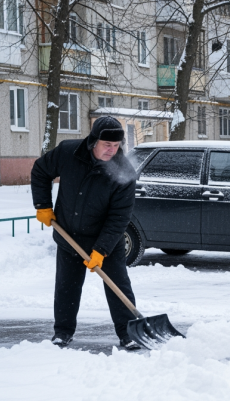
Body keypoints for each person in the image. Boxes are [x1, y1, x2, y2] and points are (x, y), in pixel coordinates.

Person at [30, 116, 141, 350]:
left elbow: (118, 218)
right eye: (106, 145)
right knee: (66, 286)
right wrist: (43, 205)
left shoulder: (124, 173)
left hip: (106, 241)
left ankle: (128, 333)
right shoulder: (68, 152)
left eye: (116, 145)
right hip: (69, 235)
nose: (112, 150)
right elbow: (41, 170)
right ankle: (62, 332)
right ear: (93, 141)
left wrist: (101, 251)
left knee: (117, 286)